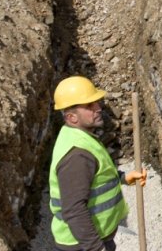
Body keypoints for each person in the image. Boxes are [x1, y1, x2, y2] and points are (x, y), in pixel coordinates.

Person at [49, 76, 146, 251]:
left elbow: (96, 175)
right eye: (89, 106)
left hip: (94, 239)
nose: (98, 108)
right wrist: (97, 248)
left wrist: (123, 178)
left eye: (96, 103)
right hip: (82, 245)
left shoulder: (81, 137)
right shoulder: (77, 155)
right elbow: (73, 210)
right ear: (72, 117)